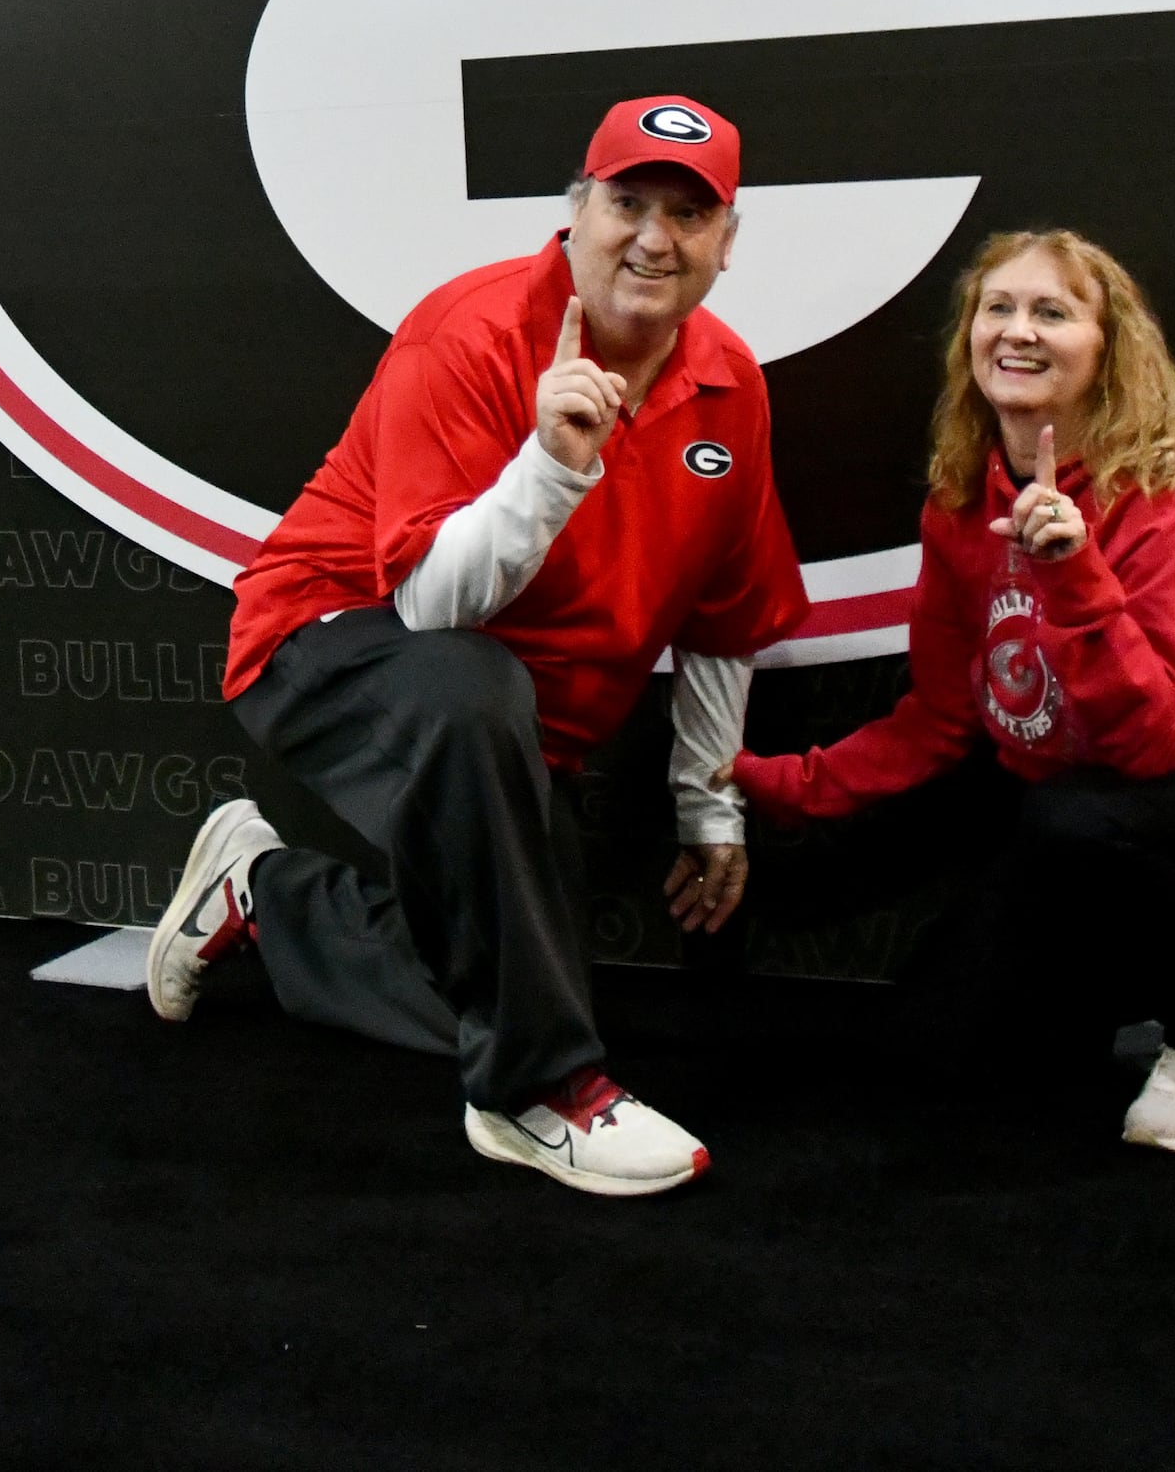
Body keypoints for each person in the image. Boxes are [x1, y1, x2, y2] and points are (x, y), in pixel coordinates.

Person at [141, 96, 809, 1197]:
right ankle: (537, 1094)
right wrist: (551, 464)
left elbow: (725, 620)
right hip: (330, 642)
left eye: (690, 214)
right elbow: (428, 611)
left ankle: (265, 895)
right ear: (575, 211)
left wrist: (707, 808)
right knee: (472, 706)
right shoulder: (471, 330)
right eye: (627, 202)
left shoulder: (731, 383)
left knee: (509, 970)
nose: (653, 237)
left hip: (511, 719)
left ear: (727, 243)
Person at [729, 229, 1175, 1157]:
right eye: (998, 308)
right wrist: (780, 782)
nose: (1018, 331)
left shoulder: (1167, 498)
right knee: (945, 1045)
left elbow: (1147, 743)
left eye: (1053, 311)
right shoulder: (960, 503)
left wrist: (1073, 572)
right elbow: (944, 716)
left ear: (1109, 345)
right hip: (1095, 806)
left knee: (1073, 819)